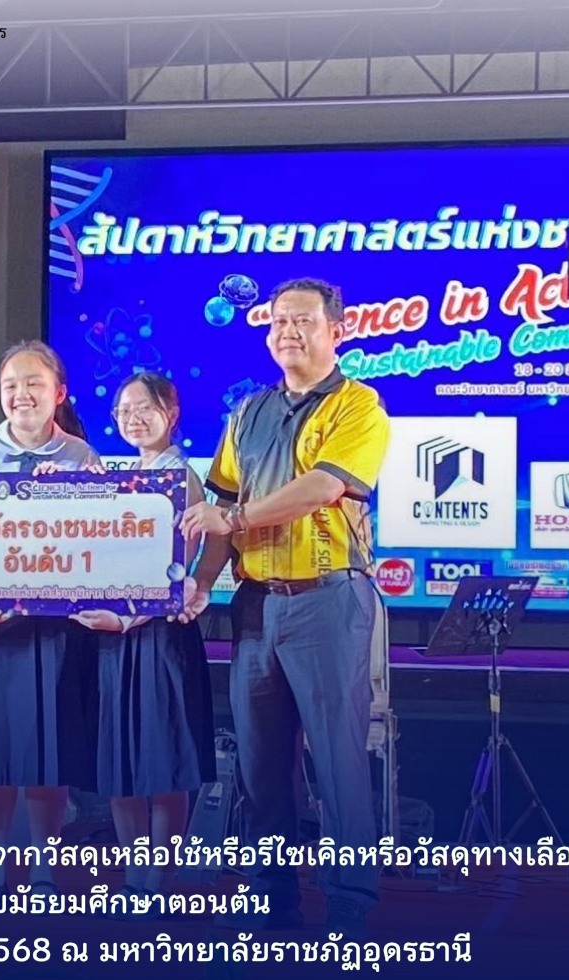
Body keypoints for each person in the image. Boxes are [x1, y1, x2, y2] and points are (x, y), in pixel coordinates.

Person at [181, 278, 390, 936]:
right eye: (277, 322)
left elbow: (322, 487)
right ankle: (271, 894)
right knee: (260, 763)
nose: (287, 332)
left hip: (327, 598)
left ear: (337, 330)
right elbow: (219, 508)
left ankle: (350, 897)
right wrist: (201, 581)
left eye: (303, 321)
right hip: (255, 605)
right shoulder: (248, 412)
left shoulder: (359, 406)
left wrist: (235, 518)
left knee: (336, 759)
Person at [0, 340, 99, 899]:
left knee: (48, 755)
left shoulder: (80, 456)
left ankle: (45, 871)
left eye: (33, 384)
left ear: (59, 393)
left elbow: (95, 547)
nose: (21, 395)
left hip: (52, 631)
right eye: (10, 385)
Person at [72, 373, 216, 915]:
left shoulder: (182, 478)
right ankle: (135, 872)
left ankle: (160, 876)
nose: (133, 419)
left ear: (170, 414)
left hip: (159, 635)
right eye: (124, 410)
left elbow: (179, 572)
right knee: (120, 758)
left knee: (164, 759)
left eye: (144, 409)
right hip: (113, 637)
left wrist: (129, 618)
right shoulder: (120, 476)